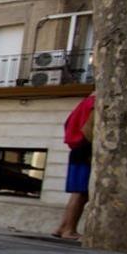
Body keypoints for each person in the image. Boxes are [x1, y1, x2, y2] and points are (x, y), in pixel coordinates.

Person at [53, 93, 94, 240]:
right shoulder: (95, 103)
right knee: (82, 192)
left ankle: (63, 227)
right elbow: (89, 128)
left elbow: (68, 123)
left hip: (78, 149)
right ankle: (69, 230)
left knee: (78, 192)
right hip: (86, 149)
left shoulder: (85, 102)